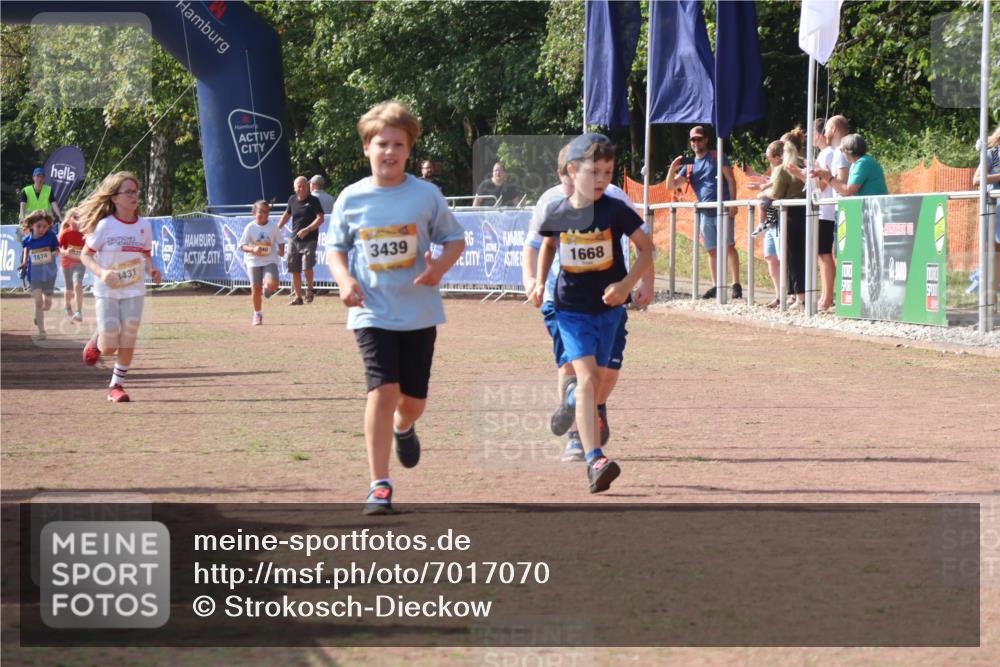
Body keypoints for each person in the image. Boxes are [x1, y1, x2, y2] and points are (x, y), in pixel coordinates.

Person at [326, 101, 466, 515]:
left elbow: (455, 240)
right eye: (381, 143)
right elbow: (335, 248)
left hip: (419, 312)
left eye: (398, 144)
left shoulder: (426, 195)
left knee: (412, 401)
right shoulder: (351, 198)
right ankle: (379, 485)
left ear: (409, 150)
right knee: (382, 389)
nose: (389, 151)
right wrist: (345, 281)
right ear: (366, 148)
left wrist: (439, 266)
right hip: (371, 310)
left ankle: (404, 427)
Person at [527, 133, 654, 494]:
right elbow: (547, 246)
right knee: (587, 379)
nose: (601, 180)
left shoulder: (615, 210)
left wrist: (626, 285)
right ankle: (594, 459)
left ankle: (572, 402)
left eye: (607, 172)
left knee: (601, 379)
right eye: (593, 172)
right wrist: (539, 282)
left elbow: (647, 249)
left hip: (609, 309)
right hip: (571, 311)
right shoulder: (557, 212)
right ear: (572, 171)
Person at [77, 171, 163, 403]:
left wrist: (152, 270)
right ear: (115, 198)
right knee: (109, 347)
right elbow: (85, 255)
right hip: (107, 291)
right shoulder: (105, 226)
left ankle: (116, 386)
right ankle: (98, 341)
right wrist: (103, 273)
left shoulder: (144, 226)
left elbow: (145, 255)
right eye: (128, 192)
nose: (134, 196)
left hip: (134, 289)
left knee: (129, 338)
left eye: (136, 192)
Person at [665, 125, 742, 300]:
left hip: (723, 209)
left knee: (729, 246)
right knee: (712, 250)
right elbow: (670, 186)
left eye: (699, 139)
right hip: (704, 213)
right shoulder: (689, 166)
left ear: (706, 140)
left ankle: (736, 284)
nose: (696, 142)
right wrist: (672, 168)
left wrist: (733, 203)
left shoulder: (717, 156)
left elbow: (731, 179)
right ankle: (716, 286)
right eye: (693, 139)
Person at [747, 141, 785, 307]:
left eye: (769, 159)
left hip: (779, 217)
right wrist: (759, 183)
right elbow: (770, 184)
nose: (768, 162)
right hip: (772, 219)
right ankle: (779, 295)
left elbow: (776, 191)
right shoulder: (776, 170)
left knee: (782, 257)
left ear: (777, 157)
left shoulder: (784, 169)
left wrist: (762, 191)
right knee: (770, 257)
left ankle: (790, 294)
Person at [278, 176, 324, 305]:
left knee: (307, 267)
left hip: (310, 239)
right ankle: (298, 297)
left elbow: (320, 218)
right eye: (299, 186)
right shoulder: (292, 199)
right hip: (294, 239)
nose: (301, 188)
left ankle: (310, 289)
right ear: (295, 188)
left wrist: (308, 229)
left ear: (308, 187)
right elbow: (287, 215)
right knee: (294, 269)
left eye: (304, 186)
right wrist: (277, 228)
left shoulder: (314, 200)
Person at [240, 200, 285, 326]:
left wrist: (282, 250)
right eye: (260, 212)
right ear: (254, 213)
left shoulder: (273, 227)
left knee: (273, 284)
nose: (263, 214)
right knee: (255, 289)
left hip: (270, 260)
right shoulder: (250, 227)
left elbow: (281, 241)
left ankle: (268, 289)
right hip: (253, 261)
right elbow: (242, 246)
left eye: (266, 212)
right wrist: (252, 249)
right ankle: (257, 314)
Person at [18, 210, 59, 339]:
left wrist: (54, 253)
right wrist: (24, 262)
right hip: (34, 274)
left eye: (45, 226)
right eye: (39, 226)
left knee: (47, 304)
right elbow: (26, 248)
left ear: (49, 226)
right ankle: (42, 331)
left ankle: (38, 313)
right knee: (38, 302)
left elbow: (57, 249)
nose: (42, 229)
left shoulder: (51, 236)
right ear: (31, 226)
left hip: (49, 274)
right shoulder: (28, 239)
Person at [971, 125, 1000, 295]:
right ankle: (990, 300)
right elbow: (976, 180)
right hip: (995, 212)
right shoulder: (992, 155)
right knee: (993, 257)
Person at [58, 207, 87, 322]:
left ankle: (79, 312)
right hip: (67, 263)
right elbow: (58, 248)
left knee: (78, 284)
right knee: (69, 288)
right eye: (75, 217)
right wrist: (65, 252)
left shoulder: (84, 233)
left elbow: (89, 248)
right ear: (69, 219)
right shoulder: (65, 233)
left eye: (80, 217)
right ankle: (67, 305)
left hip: (80, 263)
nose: (78, 219)